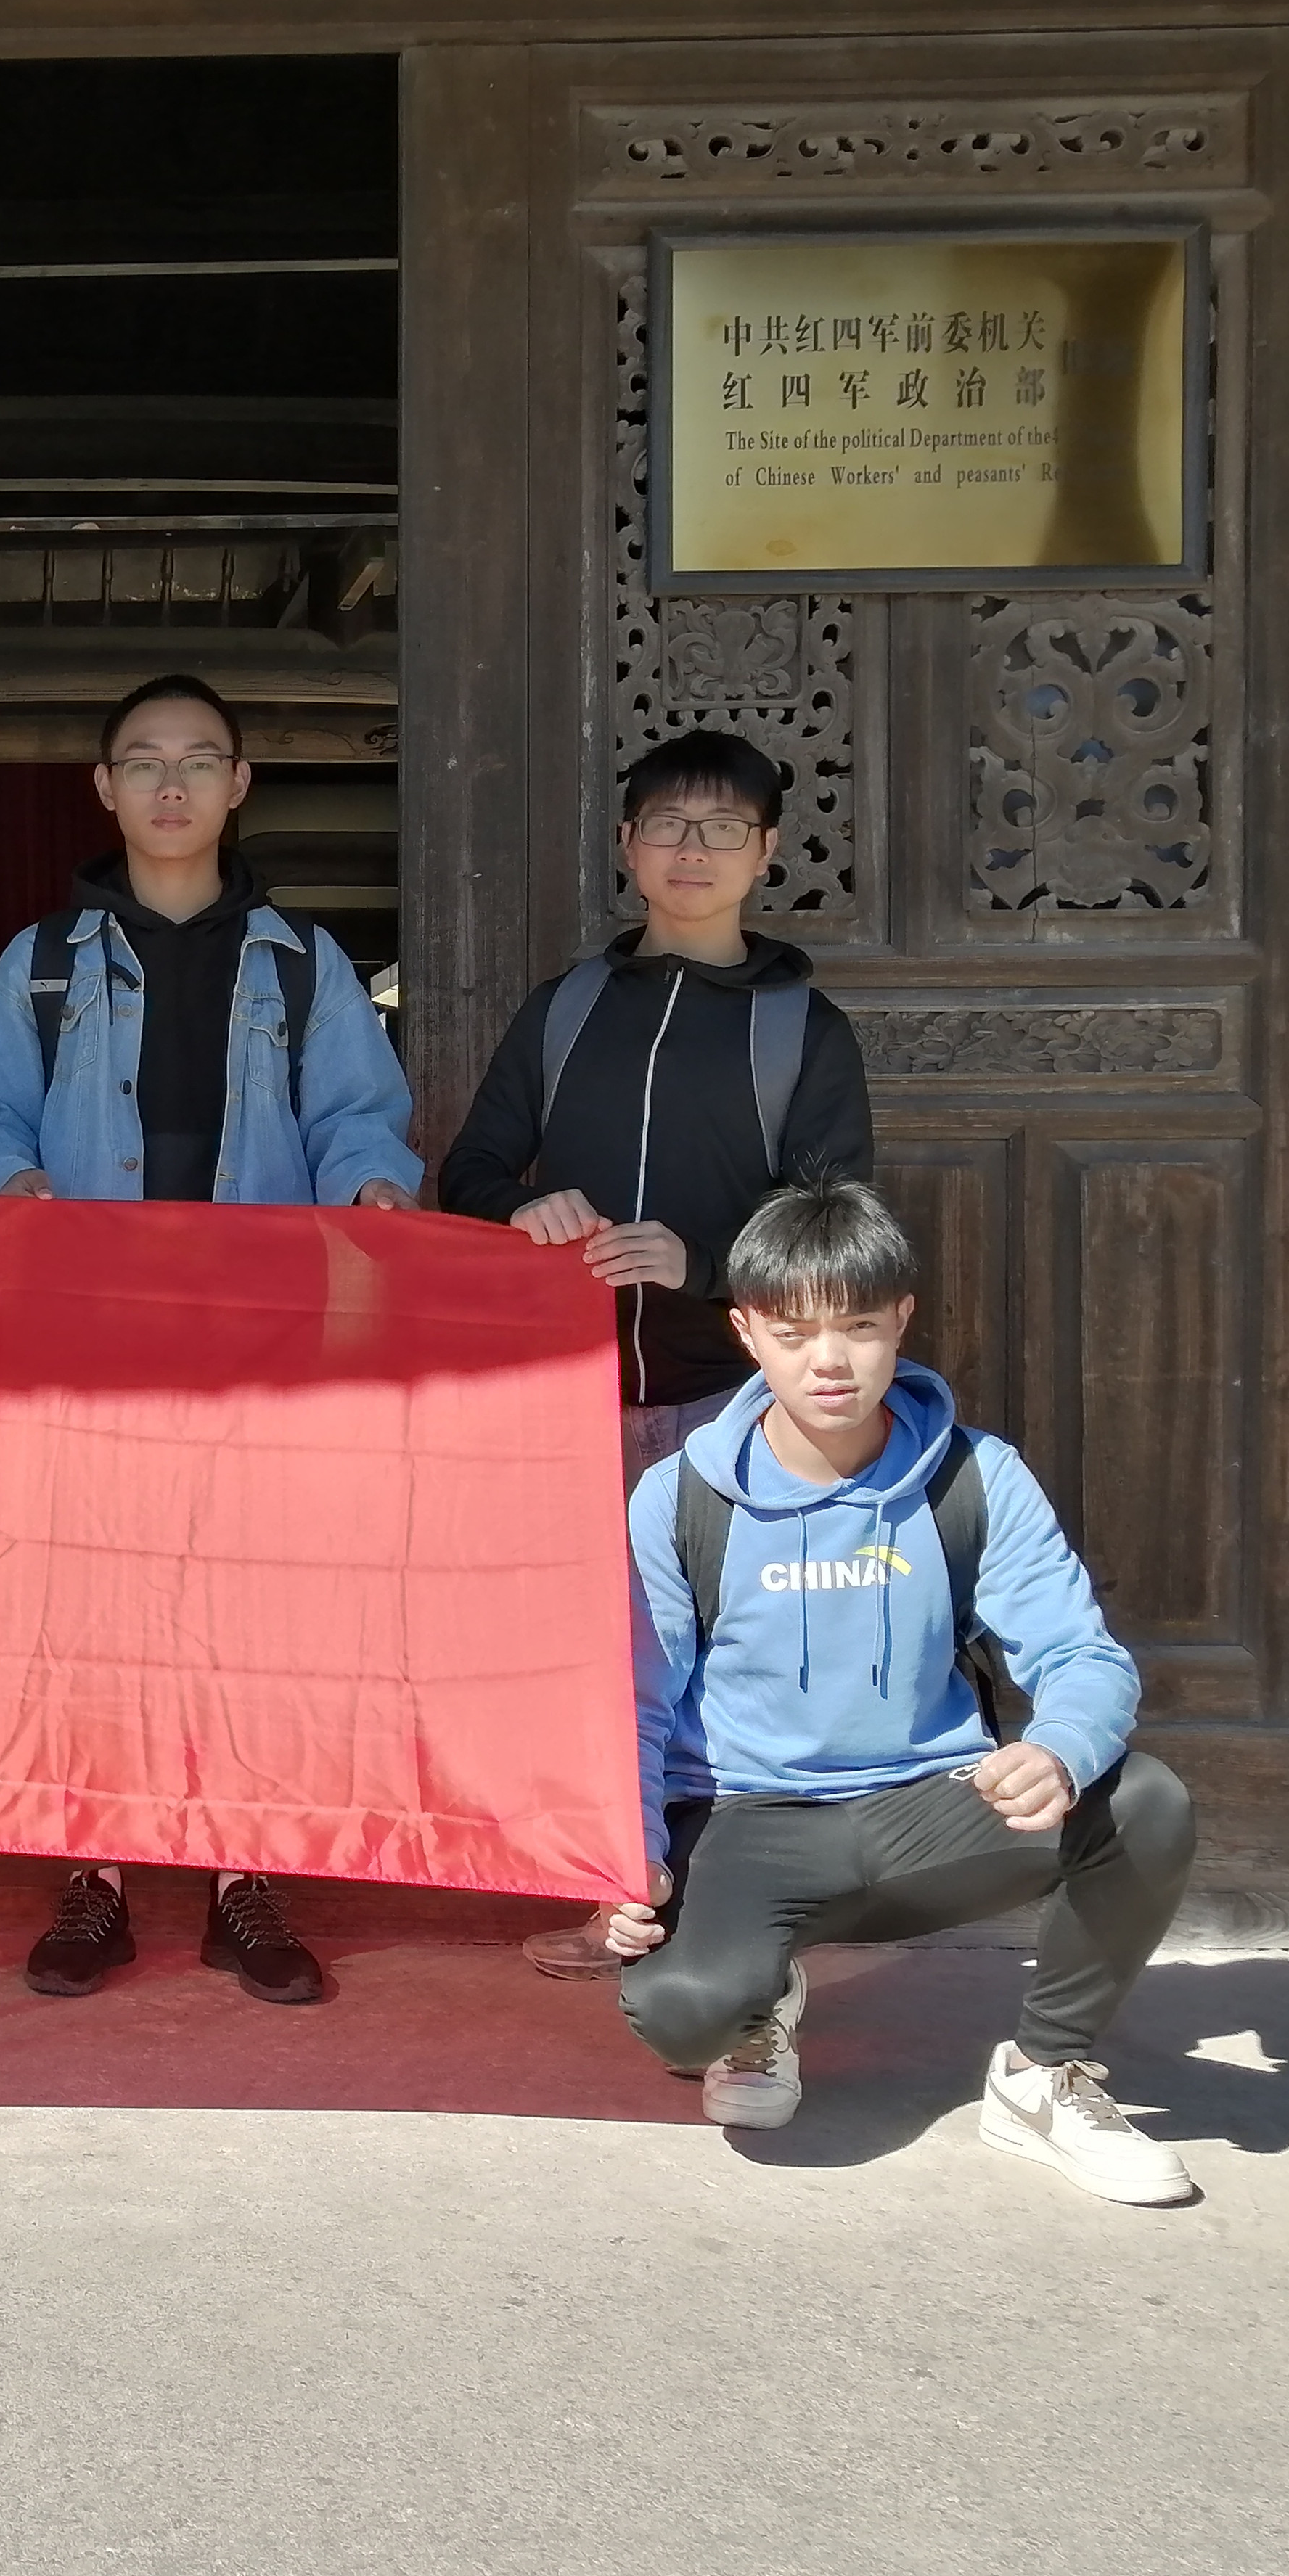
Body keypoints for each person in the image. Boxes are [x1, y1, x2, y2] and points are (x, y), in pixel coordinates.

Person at [0, 673, 421, 2007]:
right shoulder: (44, 961)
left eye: (199, 760)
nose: (171, 784)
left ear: (238, 784)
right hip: (88, 1335)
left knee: (248, 1605)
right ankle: (93, 1870)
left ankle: (240, 1871)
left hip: (254, 1338)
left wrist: (373, 1188)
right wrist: (13, 1185)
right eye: (144, 760)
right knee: (90, 1602)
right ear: (104, 787)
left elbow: (360, 1117)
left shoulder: (304, 961)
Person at [602, 1181, 1200, 2207]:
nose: (828, 1361)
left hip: (935, 1806)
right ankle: (758, 2003)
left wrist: (1058, 1746)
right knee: (681, 2012)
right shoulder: (679, 1496)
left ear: (901, 1320)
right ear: (746, 1332)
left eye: (859, 1327)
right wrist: (632, 1852)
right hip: (752, 1818)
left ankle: (1044, 2073)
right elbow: (638, 1700)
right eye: (793, 1332)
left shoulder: (974, 1475)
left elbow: (1082, 1654)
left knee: (1146, 1800)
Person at [435, 729, 874, 1980]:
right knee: (601, 1664)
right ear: (627, 844)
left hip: (730, 1404)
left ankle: (738, 1912)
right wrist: (525, 1208)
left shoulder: (802, 1028)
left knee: (733, 1666)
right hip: (565, 1407)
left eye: (723, 827)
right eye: (669, 824)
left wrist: (708, 1261)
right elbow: (470, 1171)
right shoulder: (568, 1008)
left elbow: (837, 1226)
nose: (694, 848)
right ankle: (622, 1889)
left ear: (765, 852)